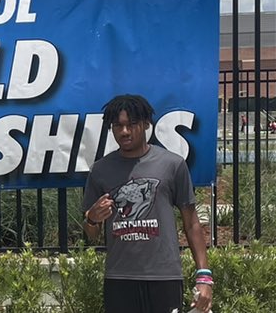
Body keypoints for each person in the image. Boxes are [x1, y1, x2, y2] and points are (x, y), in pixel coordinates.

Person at [83, 94, 212, 313]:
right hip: (119, 278)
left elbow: (191, 224)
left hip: (164, 277)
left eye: (131, 124)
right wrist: (92, 218)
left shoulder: (172, 164)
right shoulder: (100, 170)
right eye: (118, 126)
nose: (124, 131)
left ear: (145, 124)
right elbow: (90, 234)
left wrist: (204, 277)